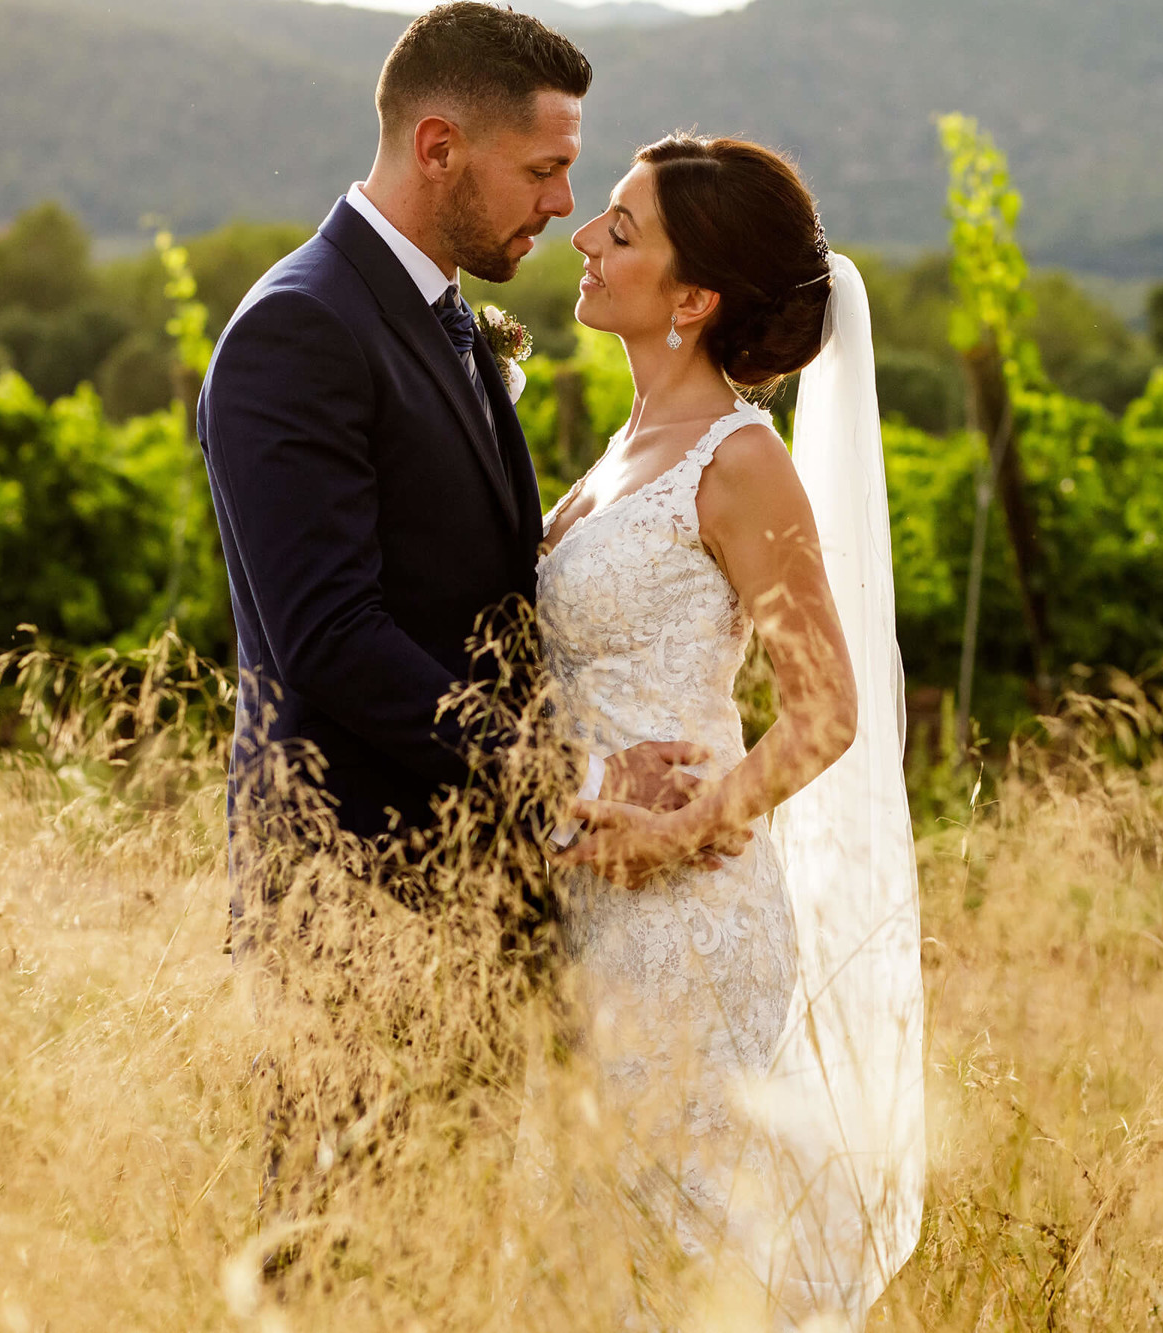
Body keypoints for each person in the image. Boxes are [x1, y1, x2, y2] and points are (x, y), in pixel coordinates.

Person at [196, 4, 714, 922]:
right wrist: (583, 775)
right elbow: (333, 638)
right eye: (544, 171)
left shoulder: (448, 316)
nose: (564, 206)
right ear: (438, 147)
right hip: (357, 902)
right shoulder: (300, 328)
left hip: (495, 895)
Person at [542, 135, 924, 1327]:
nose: (582, 241)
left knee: (697, 1251)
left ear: (694, 298)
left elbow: (827, 711)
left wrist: (688, 828)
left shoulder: (741, 462)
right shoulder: (620, 452)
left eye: (618, 228)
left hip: (685, 918)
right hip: (584, 893)